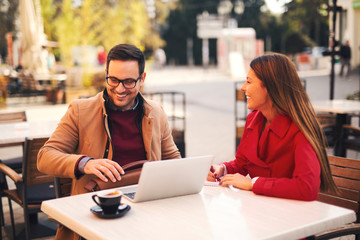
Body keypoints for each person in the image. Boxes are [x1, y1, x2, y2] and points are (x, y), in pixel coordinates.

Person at [38, 43, 181, 239]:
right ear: (106, 73)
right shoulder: (80, 110)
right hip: (96, 212)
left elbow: (173, 158)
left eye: (129, 82)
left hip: (147, 212)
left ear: (142, 79)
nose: (120, 89)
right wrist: (85, 163)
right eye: (113, 80)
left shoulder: (156, 112)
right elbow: (45, 156)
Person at [207, 53, 336, 201]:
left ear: (270, 86)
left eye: (249, 82)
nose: (243, 88)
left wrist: (253, 184)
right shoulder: (253, 119)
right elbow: (243, 163)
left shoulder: (300, 129)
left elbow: (306, 188)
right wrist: (223, 169)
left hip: (291, 213)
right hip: (260, 209)